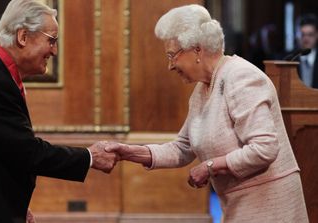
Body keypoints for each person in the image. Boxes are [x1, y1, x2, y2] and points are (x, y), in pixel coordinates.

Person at [105, 4, 309, 222]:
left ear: (197, 50)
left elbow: (265, 148)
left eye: (172, 55)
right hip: (239, 205)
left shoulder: (241, 77)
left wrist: (211, 166)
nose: (170, 66)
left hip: (271, 206)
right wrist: (128, 152)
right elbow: (182, 148)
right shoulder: (202, 89)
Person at [0, 0, 117, 222]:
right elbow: (27, 152)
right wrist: (90, 157)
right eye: (51, 41)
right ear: (23, 36)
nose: (54, 51)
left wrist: (13, 202)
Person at [297, 14, 318, 88]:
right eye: (303, 35)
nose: (306, 39)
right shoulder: (291, 59)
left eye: (310, 35)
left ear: (316, 35)